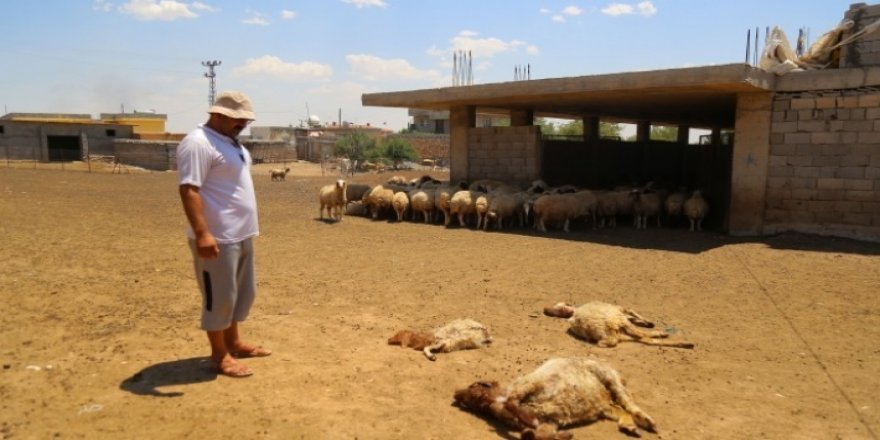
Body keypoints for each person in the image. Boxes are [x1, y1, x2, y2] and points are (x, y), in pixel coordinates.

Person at [176, 91, 271, 378]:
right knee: (219, 297)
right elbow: (189, 189)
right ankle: (219, 356)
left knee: (240, 293)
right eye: (237, 120)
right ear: (218, 115)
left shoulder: (230, 142)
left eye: (245, 120)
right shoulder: (198, 143)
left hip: (241, 235)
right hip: (217, 237)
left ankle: (234, 342)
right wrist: (203, 233)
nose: (242, 124)